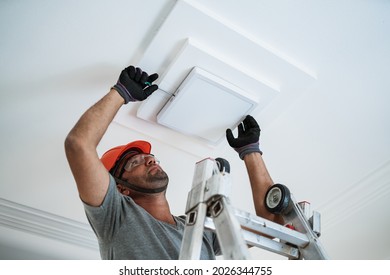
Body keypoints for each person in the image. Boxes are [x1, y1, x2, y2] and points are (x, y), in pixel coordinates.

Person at [64, 65, 283, 260]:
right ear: (121, 188)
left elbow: (272, 227)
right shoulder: (116, 217)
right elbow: (78, 145)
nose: (150, 160)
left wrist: (250, 152)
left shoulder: (198, 229)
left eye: (151, 157)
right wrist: (121, 93)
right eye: (135, 162)